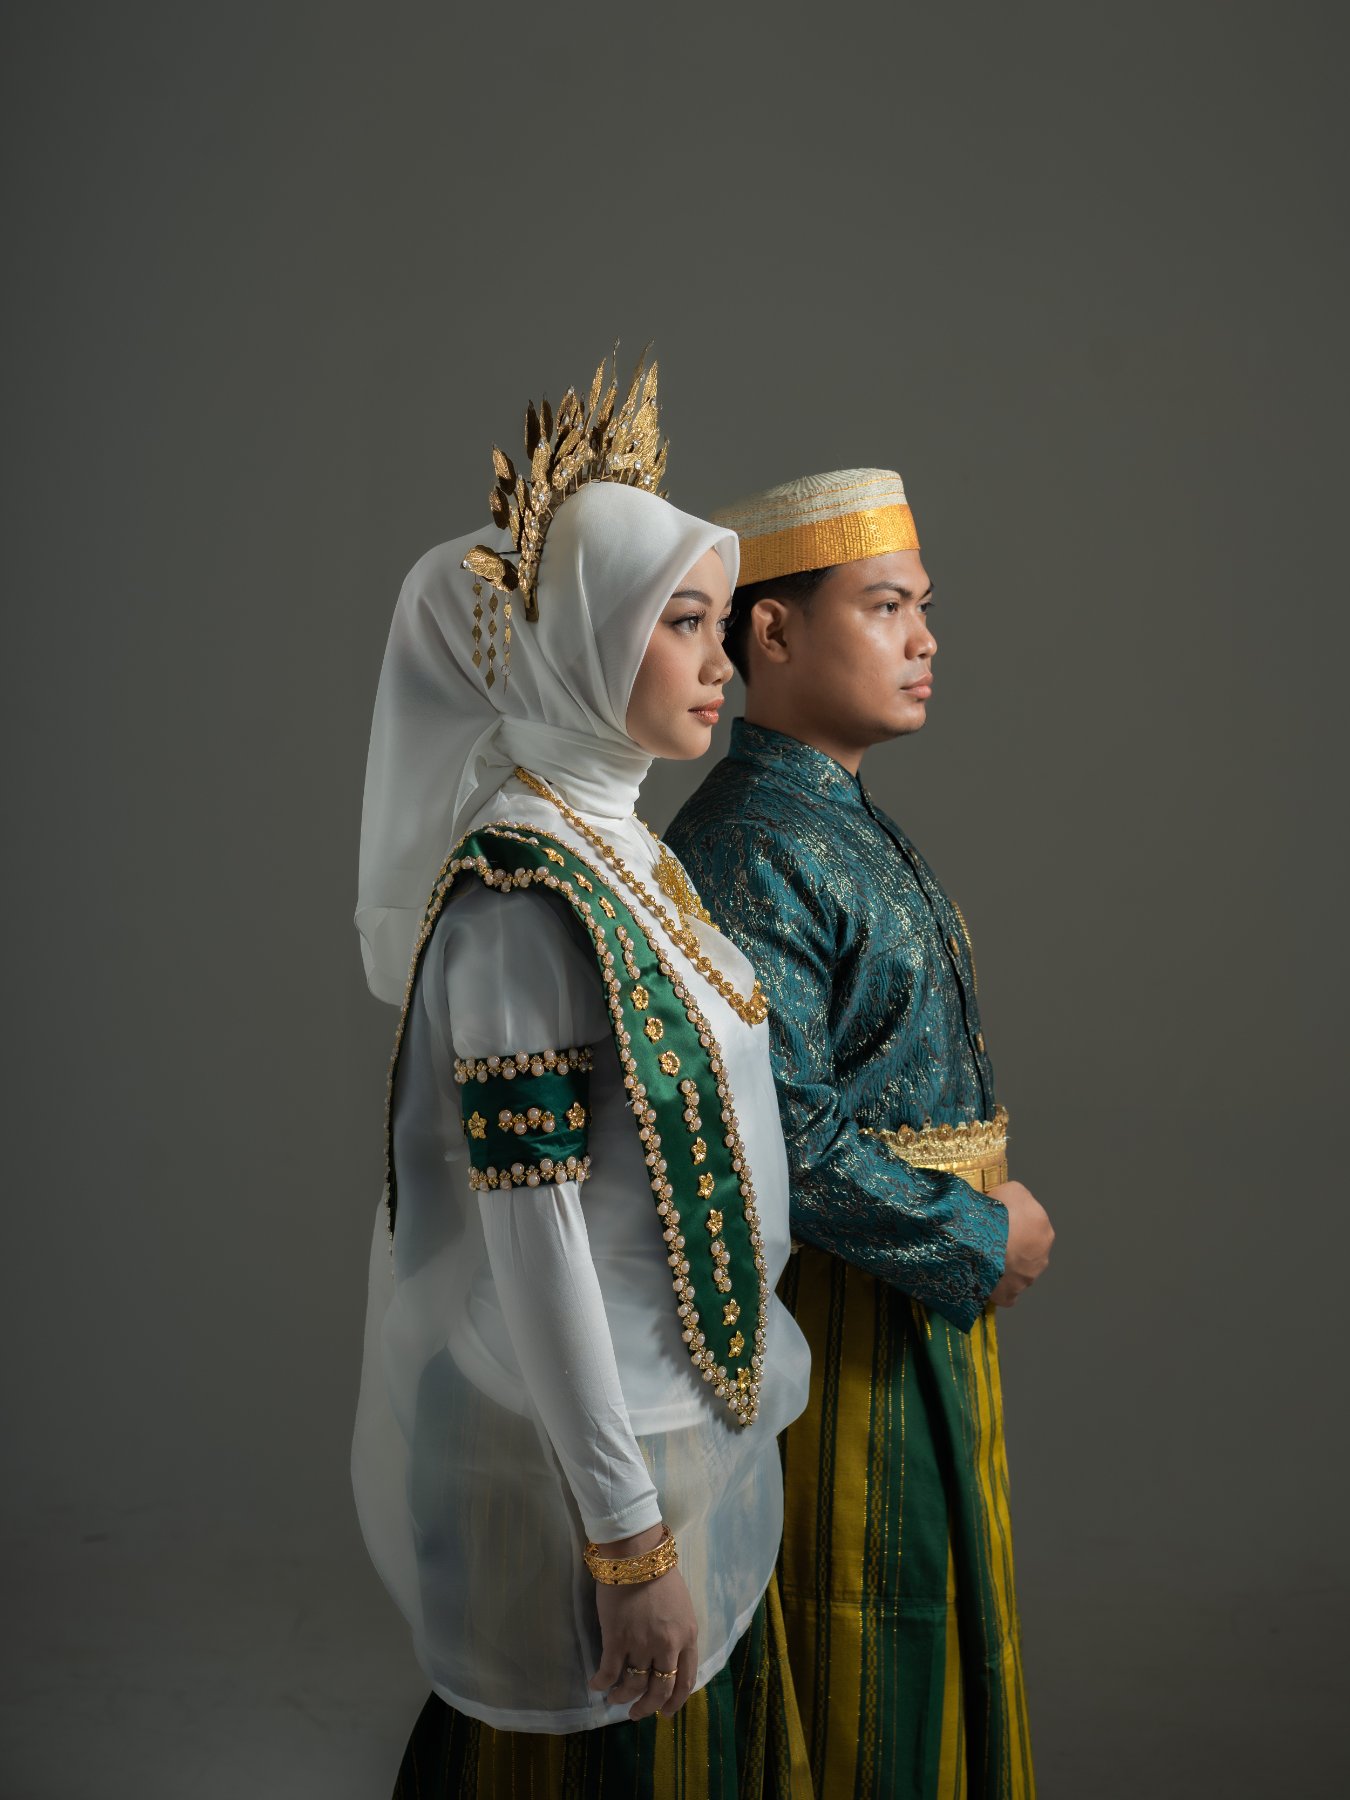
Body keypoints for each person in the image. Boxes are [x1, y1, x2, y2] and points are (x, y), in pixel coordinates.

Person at [351, 354, 812, 1796]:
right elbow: (533, 1231)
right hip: (581, 1449)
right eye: (682, 625)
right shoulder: (519, 892)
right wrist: (625, 1537)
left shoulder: (625, 847)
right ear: (581, 640)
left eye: (718, 624)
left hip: (681, 1410)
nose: (721, 662)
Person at [665, 468, 1054, 1799]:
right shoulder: (751, 845)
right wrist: (976, 1233)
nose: (924, 639)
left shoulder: (831, 821)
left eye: (923, 607)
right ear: (769, 632)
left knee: (921, 1626)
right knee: (857, 1641)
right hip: (833, 1326)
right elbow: (775, 1137)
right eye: (885, 606)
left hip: (905, 1308)